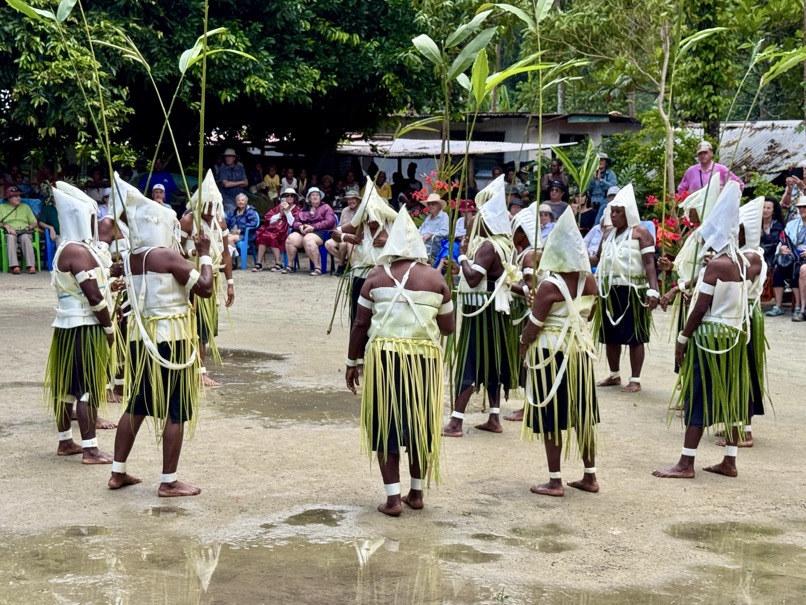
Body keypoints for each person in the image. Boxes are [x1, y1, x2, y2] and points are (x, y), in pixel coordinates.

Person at [346, 209, 455, 516]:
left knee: (387, 425)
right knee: (420, 424)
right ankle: (416, 494)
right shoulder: (436, 279)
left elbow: (360, 324)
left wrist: (352, 362)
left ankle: (393, 499)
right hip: (424, 360)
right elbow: (448, 328)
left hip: (385, 359)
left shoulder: (375, 276)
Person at [108, 188, 214, 497]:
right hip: (171, 339)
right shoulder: (166, 255)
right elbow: (205, 287)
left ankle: (117, 472)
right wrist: (205, 253)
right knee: (176, 408)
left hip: (140, 340)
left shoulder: (131, 257)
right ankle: (169, 481)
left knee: (137, 404)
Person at [653, 182, 749, 480]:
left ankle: (686, 463)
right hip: (733, 336)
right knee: (731, 394)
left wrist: (682, 338)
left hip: (710, 337)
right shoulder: (741, 261)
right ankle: (729, 460)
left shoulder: (716, 265)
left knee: (697, 394)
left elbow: (700, 308)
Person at [519, 208, 600, 496]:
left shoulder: (549, 285)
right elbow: (588, 315)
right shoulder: (590, 281)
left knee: (552, 416)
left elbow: (533, 326)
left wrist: (522, 345)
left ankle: (555, 481)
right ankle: (590, 476)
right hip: (580, 352)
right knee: (583, 415)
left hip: (550, 353)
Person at [443, 175, 520, 437]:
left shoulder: (488, 246)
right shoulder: (504, 244)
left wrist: (462, 256)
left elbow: (474, 278)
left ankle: (455, 423)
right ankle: (494, 418)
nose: (474, 220)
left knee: (471, 361)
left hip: (483, 314)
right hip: (495, 312)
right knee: (492, 362)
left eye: (478, 216)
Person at [45, 184, 115, 464]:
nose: (95, 223)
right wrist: (109, 328)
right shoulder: (78, 251)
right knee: (87, 388)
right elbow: (94, 297)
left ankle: (65, 442)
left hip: (66, 327)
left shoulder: (67, 247)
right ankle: (90, 449)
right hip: (84, 327)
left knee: (65, 388)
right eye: (91, 218)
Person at [593, 184, 659, 393]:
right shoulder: (607, 234)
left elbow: (649, 263)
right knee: (610, 335)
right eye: (612, 211)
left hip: (633, 290)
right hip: (609, 290)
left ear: (628, 213)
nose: (613, 215)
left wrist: (653, 289)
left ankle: (635, 379)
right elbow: (597, 258)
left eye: (618, 212)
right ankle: (614, 375)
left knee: (634, 336)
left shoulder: (641, 233)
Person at [180, 170, 235, 387]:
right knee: (194, 324)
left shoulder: (220, 222)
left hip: (212, 277)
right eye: (207, 206)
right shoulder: (188, 220)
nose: (211, 212)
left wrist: (230, 284)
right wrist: (193, 252)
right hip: (192, 279)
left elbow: (226, 254)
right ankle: (197, 371)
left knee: (205, 327)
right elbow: (175, 251)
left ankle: (200, 369)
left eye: (214, 207)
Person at [339, 181, 397, 325]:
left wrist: (388, 242)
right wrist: (345, 237)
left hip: (385, 276)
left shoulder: (392, 227)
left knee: (382, 315)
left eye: (374, 217)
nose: (370, 220)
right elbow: (334, 233)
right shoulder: (359, 226)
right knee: (358, 316)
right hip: (361, 276)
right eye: (368, 216)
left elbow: (408, 246)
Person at [766, 197, 806, 317]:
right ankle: (778, 305)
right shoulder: (792, 224)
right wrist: (781, 248)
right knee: (778, 269)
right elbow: (782, 240)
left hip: (802, 260)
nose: (802, 209)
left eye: (805, 207)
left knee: (796, 269)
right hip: (792, 256)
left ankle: (798, 306)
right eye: (800, 207)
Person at [283, 187, 336, 276]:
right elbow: (295, 222)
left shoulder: (326, 207)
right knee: (290, 239)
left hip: (320, 232)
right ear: (309, 198)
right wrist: (300, 226)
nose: (315, 197)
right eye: (312, 195)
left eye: (317, 195)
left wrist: (313, 227)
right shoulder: (304, 209)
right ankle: (290, 266)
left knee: (308, 239)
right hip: (304, 232)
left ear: (320, 197)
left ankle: (317, 268)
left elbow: (330, 221)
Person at [253, 188, 301, 272]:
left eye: (292, 196)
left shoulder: (297, 209)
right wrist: (280, 214)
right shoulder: (279, 207)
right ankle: (259, 263)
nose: (289, 197)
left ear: (295, 198)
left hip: (287, 230)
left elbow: (293, 223)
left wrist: (287, 211)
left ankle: (279, 263)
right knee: (263, 235)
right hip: (275, 228)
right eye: (287, 195)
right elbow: (269, 219)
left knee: (272, 236)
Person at [677, 141, 744, 195]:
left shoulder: (721, 169)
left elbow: (739, 185)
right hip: (694, 207)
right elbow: (681, 190)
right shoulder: (691, 171)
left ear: (711, 153)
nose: (703, 155)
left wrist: (728, 199)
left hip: (716, 207)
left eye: (705, 153)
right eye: (700, 153)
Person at [0, 186, 38, 273]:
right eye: (15, 196)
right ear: (9, 198)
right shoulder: (2, 207)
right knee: (10, 238)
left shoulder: (25, 207)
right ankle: (14, 266)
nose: (19, 198)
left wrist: (29, 227)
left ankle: (31, 265)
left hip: (24, 231)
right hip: (10, 232)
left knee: (26, 238)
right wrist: (5, 225)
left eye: (19, 196)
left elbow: (34, 222)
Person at [325, 188, 361, 276]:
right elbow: (340, 225)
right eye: (349, 199)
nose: (350, 201)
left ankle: (343, 266)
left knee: (344, 244)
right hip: (343, 235)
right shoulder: (345, 210)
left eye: (353, 199)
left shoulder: (362, 211)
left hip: (355, 237)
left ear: (358, 200)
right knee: (328, 244)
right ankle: (345, 262)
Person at [225, 192, 260, 260]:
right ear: (236, 202)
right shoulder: (233, 212)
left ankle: (232, 261)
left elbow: (254, 223)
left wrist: (242, 229)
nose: (240, 202)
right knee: (223, 239)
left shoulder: (250, 212)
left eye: (242, 200)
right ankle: (230, 260)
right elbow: (226, 222)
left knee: (229, 239)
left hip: (245, 235)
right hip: (232, 233)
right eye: (238, 200)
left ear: (246, 202)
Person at [418, 193, 450, 263]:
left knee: (416, 250)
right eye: (429, 204)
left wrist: (430, 235)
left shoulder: (444, 216)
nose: (430, 206)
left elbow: (445, 232)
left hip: (433, 244)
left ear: (439, 205)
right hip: (421, 242)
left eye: (433, 204)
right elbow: (421, 228)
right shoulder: (428, 217)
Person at [216, 148, 249, 213]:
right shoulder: (223, 167)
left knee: (246, 213)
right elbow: (226, 184)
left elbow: (246, 183)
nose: (227, 158)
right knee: (231, 212)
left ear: (234, 158)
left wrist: (231, 184)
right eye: (226, 156)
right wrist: (241, 182)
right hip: (227, 198)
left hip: (240, 197)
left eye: (230, 156)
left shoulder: (240, 167)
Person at [588, 154, 618, 223]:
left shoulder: (611, 174)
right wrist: (592, 180)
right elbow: (587, 190)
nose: (600, 162)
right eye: (598, 160)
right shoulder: (591, 173)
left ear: (606, 162)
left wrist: (601, 180)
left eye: (602, 160)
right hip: (592, 203)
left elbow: (613, 188)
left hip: (605, 201)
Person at [760, 197, 784, 269]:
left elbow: (773, 240)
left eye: (768, 208)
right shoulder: (755, 223)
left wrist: (762, 234)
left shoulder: (777, 224)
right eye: (763, 207)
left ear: (773, 211)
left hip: (772, 253)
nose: (765, 210)